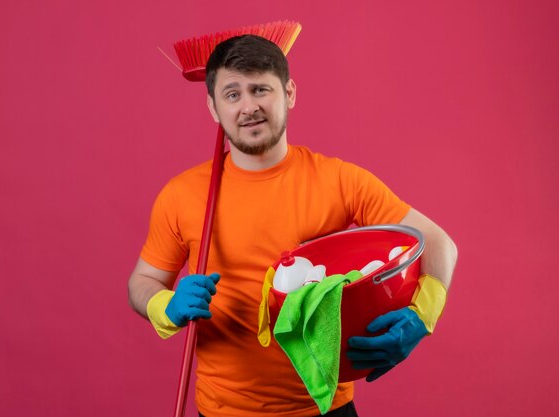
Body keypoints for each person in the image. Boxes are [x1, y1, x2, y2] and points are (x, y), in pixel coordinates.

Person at [128, 35, 457, 417]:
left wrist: (422, 316)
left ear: (289, 93)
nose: (248, 106)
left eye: (260, 89)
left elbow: (440, 244)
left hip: (324, 408)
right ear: (213, 108)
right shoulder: (182, 194)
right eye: (232, 94)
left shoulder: (339, 180)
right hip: (221, 410)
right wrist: (163, 306)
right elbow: (143, 280)